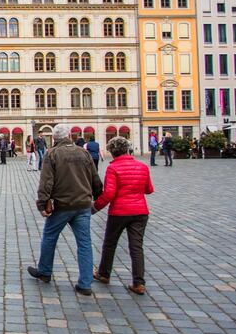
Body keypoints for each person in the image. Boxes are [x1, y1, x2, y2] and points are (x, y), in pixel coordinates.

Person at [28, 123, 102, 296]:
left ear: (54, 138)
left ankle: (45, 271)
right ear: (69, 135)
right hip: (83, 204)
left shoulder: (52, 154)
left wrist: (42, 203)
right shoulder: (83, 153)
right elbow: (94, 176)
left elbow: (46, 182)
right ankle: (85, 283)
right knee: (84, 243)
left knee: (49, 237)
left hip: (62, 205)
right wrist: (98, 195)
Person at [92, 137, 153, 295]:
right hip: (140, 212)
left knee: (110, 243)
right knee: (136, 247)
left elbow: (109, 194)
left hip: (119, 212)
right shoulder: (142, 166)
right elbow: (148, 189)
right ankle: (139, 283)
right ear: (127, 149)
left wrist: (94, 208)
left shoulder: (113, 168)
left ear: (112, 152)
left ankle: (104, 274)